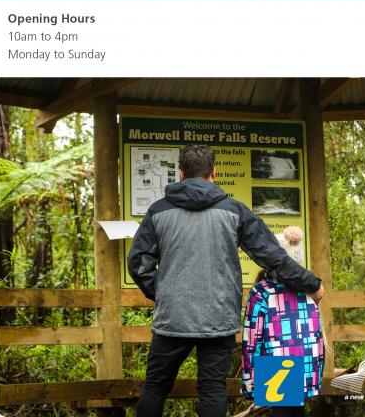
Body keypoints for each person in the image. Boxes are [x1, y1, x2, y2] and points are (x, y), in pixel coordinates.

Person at [128, 144, 324, 417]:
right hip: (218, 318)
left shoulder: (158, 211)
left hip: (172, 318)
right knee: (212, 389)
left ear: (181, 173)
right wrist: (312, 283)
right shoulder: (234, 211)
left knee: (155, 388)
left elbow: (138, 263)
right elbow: (272, 257)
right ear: (214, 172)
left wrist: (164, 293)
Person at [241, 226, 325, 417]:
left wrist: (250, 379)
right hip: (306, 362)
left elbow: (251, 339)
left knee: (282, 411)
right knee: (296, 410)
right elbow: (318, 336)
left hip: (276, 363)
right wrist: (317, 370)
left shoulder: (262, 291)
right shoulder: (310, 290)